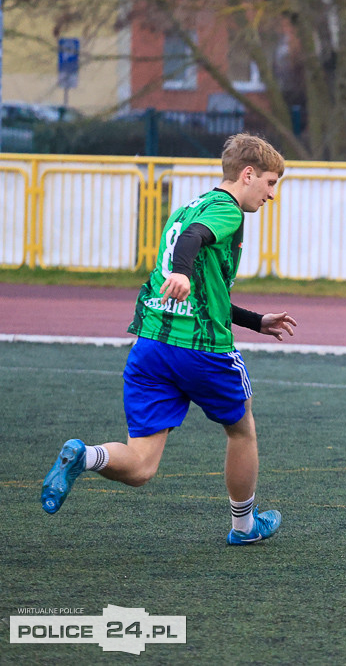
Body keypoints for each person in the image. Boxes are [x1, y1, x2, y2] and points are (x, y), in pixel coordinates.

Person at [41, 133, 296, 544]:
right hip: (201, 352)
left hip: (151, 347)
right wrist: (180, 270)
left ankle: (85, 455)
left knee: (141, 466)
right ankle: (244, 527)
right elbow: (193, 239)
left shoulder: (185, 207)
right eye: (270, 183)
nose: (272, 194)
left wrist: (254, 320)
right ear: (248, 174)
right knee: (241, 430)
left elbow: (202, 284)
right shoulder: (226, 211)